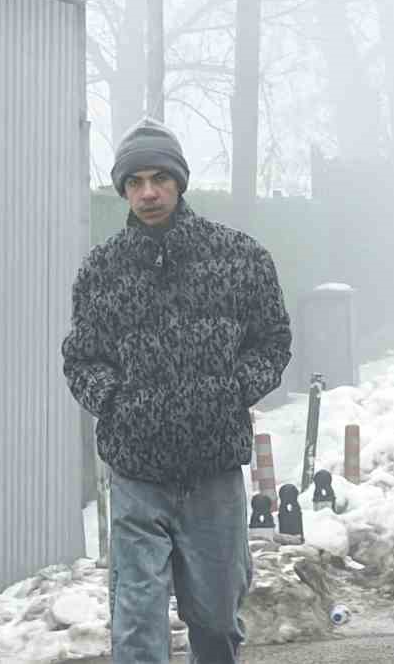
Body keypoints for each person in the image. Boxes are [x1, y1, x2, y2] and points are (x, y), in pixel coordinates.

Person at [63, 117, 292, 664]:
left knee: (215, 624)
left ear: (179, 181)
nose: (148, 192)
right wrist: (115, 403)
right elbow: (81, 358)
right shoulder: (101, 271)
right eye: (135, 181)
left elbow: (273, 341)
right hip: (137, 474)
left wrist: (232, 390)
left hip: (213, 472)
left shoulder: (240, 259)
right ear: (122, 189)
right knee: (137, 626)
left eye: (159, 178)